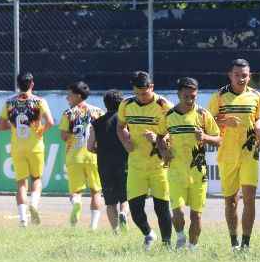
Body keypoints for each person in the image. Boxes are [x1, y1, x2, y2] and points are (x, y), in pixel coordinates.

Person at [157, 78, 221, 250]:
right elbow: (159, 136)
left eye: (193, 96)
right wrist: (164, 151)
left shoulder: (203, 114)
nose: (190, 99)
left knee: (197, 216)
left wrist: (205, 137)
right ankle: (180, 237)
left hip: (198, 173)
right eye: (186, 96)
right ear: (178, 94)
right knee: (177, 212)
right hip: (176, 172)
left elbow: (219, 139)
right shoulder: (169, 116)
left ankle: (193, 249)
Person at [208, 58, 260, 252]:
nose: (241, 79)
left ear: (250, 76)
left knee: (250, 198)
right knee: (231, 201)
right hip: (228, 155)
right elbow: (208, 121)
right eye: (237, 75)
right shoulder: (220, 96)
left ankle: (246, 244)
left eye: (245, 75)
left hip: (250, 154)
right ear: (230, 75)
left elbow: (256, 119)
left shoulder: (256, 96)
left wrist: (259, 130)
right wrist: (223, 121)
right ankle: (234, 243)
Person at [116, 71, 173, 250]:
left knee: (161, 207)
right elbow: (120, 127)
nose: (142, 97)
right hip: (136, 164)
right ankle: (149, 234)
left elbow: (174, 130)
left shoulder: (164, 105)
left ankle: (167, 244)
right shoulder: (126, 104)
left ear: (152, 87)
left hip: (159, 164)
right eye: (138, 93)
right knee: (134, 209)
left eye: (145, 92)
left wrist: (158, 138)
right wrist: (126, 141)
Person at [0, 72, 54, 227]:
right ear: (32, 84)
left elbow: (1, 125)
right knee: (36, 179)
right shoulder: (39, 101)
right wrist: (40, 131)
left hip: (17, 146)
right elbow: (50, 122)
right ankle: (34, 205)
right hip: (36, 146)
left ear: (18, 84)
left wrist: (13, 127)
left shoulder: (9, 102)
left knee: (21, 183)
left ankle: (23, 220)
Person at [59, 81, 104, 229]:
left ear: (78, 96)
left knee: (76, 191)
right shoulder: (98, 112)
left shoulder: (68, 113)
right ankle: (93, 226)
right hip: (94, 156)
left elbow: (64, 136)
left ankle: (77, 205)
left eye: (69, 95)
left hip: (74, 156)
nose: (67, 98)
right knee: (96, 191)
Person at [88, 90, 130, 233]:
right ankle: (124, 213)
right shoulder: (126, 121)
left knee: (110, 201)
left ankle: (115, 231)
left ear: (105, 104)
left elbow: (89, 146)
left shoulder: (96, 123)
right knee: (125, 197)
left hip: (105, 165)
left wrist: (98, 150)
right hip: (124, 163)